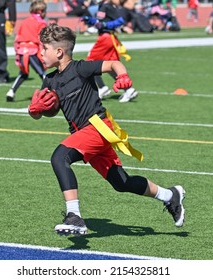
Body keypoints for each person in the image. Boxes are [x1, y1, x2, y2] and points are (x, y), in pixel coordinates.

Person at [29, 23, 186, 236]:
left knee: (59, 158)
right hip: (83, 135)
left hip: (97, 128)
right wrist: (36, 111)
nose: (40, 53)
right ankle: (170, 195)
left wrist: (122, 77)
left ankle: (74, 216)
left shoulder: (80, 68)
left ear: (59, 51)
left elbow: (113, 64)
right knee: (121, 182)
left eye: (44, 48)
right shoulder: (50, 79)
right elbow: (49, 109)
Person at [82, 0, 138, 102]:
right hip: (108, 38)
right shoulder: (103, 6)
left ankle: (102, 87)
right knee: (111, 67)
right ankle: (129, 89)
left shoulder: (108, 6)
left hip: (106, 39)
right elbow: (100, 22)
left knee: (89, 64)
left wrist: (105, 25)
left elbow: (120, 21)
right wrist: (90, 20)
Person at [6, 0, 47, 102]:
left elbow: (17, 38)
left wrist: (17, 51)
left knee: (23, 73)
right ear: (41, 11)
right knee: (42, 73)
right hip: (32, 51)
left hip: (21, 50)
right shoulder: (41, 23)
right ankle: (53, 92)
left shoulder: (25, 21)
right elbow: (42, 40)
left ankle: (11, 91)